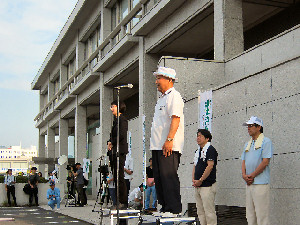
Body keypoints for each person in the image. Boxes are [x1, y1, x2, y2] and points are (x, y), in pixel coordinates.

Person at [150, 66, 184, 214]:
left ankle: (173, 209)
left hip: (168, 146)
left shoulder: (174, 96)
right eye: (156, 78)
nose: (156, 81)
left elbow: (175, 118)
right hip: (157, 146)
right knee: (159, 178)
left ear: (169, 80)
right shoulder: (161, 99)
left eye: (159, 78)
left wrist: (169, 139)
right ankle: (164, 207)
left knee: (168, 177)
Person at [241, 116, 273, 225]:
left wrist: (253, 175)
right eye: (248, 126)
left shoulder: (266, 141)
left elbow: (265, 162)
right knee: (250, 215)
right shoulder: (247, 144)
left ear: (259, 127)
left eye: (251, 126)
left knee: (262, 215)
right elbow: (243, 161)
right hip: (249, 183)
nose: (248, 128)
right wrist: (244, 175)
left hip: (260, 183)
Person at [192, 129, 218, 225]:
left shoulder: (211, 150)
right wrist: (194, 180)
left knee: (209, 212)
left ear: (207, 138)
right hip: (197, 186)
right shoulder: (197, 151)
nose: (198, 138)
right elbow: (195, 166)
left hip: (207, 186)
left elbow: (210, 166)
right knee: (200, 212)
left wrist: (201, 180)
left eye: (200, 136)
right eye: (197, 136)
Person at [107, 100, 128, 208]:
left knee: (119, 176)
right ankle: (117, 201)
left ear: (119, 107)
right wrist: (109, 143)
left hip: (120, 151)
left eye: (113, 106)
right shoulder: (115, 121)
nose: (111, 109)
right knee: (116, 176)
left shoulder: (122, 120)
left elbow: (121, 135)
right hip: (115, 151)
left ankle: (123, 201)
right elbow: (112, 136)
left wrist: (112, 142)